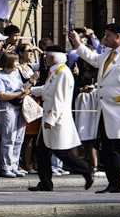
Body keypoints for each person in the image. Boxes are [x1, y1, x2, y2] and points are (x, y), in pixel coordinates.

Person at [69, 25, 120, 193]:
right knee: (108, 148)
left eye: (108, 36)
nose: (105, 39)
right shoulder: (108, 53)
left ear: (118, 36)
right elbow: (94, 59)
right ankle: (115, 183)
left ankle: (116, 182)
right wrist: (78, 45)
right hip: (106, 108)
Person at [28, 47, 94, 192]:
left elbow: (60, 98)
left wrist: (51, 119)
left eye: (47, 56)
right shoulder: (55, 72)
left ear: (53, 57)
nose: (45, 59)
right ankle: (45, 182)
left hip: (57, 117)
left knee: (61, 151)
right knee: (42, 152)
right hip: (50, 114)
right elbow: (48, 89)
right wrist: (32, 90)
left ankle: (86, 169)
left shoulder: (63, 73)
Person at [0, 50, 30, 178]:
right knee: (9, 136)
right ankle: (5, 165)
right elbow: (1, 95)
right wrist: (18, 94)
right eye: (15, 61)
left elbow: (22, 87)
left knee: (19, 137)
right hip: (8, 106)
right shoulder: (0, 76)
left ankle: (14, 164)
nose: (17, 63)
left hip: (19, 105)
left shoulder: (16, 73)